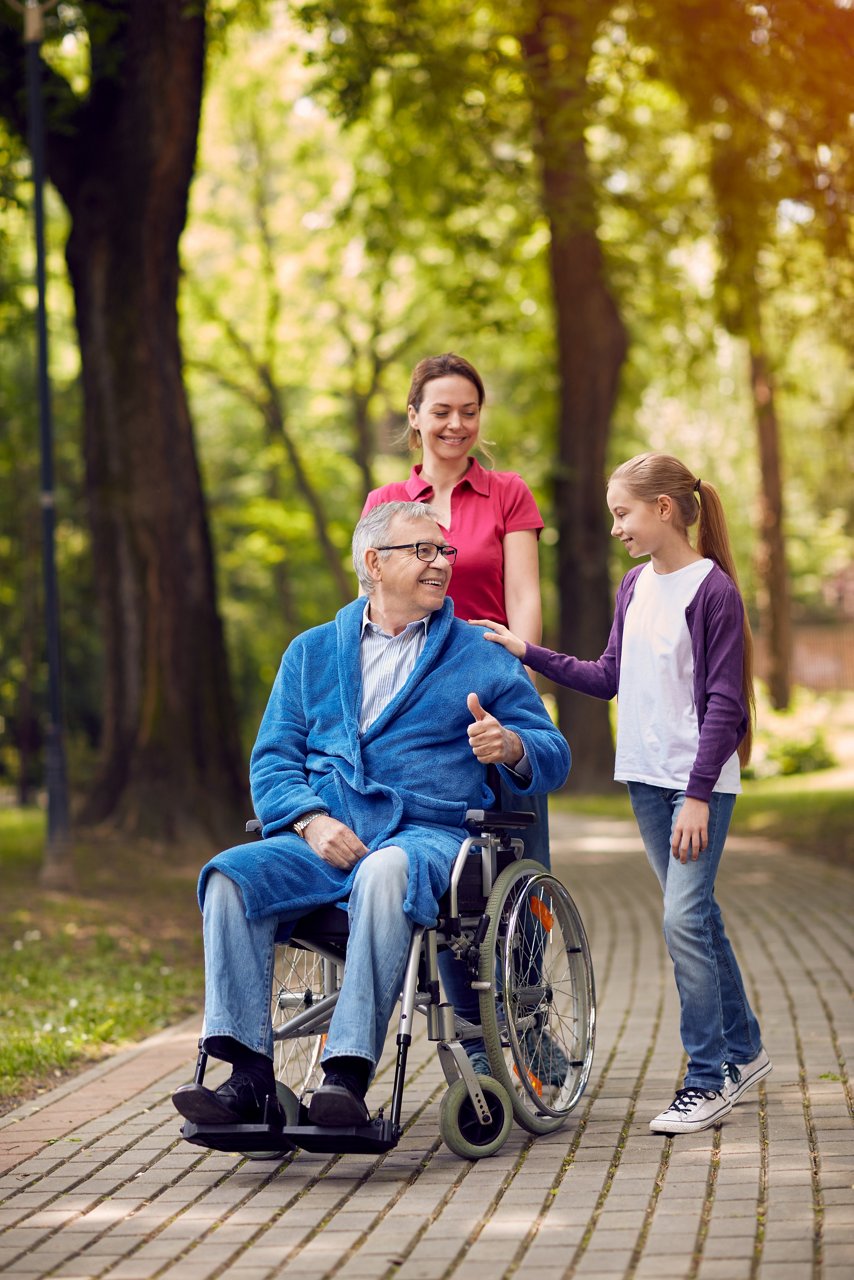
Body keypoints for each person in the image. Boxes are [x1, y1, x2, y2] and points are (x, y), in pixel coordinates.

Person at [172, 501, 570, 1131]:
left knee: (387, 870)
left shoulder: (481, 652)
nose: (440, 563)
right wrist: (308, 821)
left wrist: (513, 747)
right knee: (228, 876)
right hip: (327, 833)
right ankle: (247, 1076)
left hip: (429, 835)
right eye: (423, 551)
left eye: (444, 552)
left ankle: (346, 1078)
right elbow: (273, 760)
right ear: (373, 564)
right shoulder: (310, 653)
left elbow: (554, 753)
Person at [470, 452, 772, 1135]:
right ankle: (745, 1049)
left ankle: (706, 1078)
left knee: (682, 923)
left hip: (696, 787)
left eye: (623, 514)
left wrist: (697, 794)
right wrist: (526, 651)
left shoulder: (712, 591)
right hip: (644, 780)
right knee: (695, 918)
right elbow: (608, 675)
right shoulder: (635, 587)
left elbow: (726, 704)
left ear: (664, 509)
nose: (616, 529)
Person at [362, 353, 553, 1078]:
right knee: (441, 870)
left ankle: (532, 1037)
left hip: (487, 692)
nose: (455, 423)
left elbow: (523, 597)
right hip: (412, 707)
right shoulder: (387, 498)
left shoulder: (506, 493)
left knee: (519, 866)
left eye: (468, 410)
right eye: (440, 410)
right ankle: (470, 1037)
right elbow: (371, 597)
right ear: (414, 416)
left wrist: (518, 685)